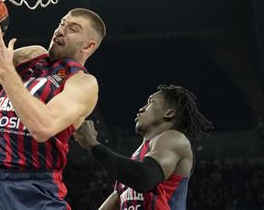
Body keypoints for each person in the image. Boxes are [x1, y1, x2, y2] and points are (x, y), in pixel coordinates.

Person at [0, 0, 106, 209]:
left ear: (89, 45)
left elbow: (42, 127)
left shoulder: (82, 83)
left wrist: (5, 70)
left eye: (73, 29)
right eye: (61, 23)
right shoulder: (33, 56)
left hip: (35, 190)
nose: (61, 30)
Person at [73, 85, 213, 210]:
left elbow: (145, 178)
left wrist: (92, 144)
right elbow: (120, 196)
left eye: (150, 102)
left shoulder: (175, 139)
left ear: (169, 113)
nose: (141, 109)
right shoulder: (136, 160)